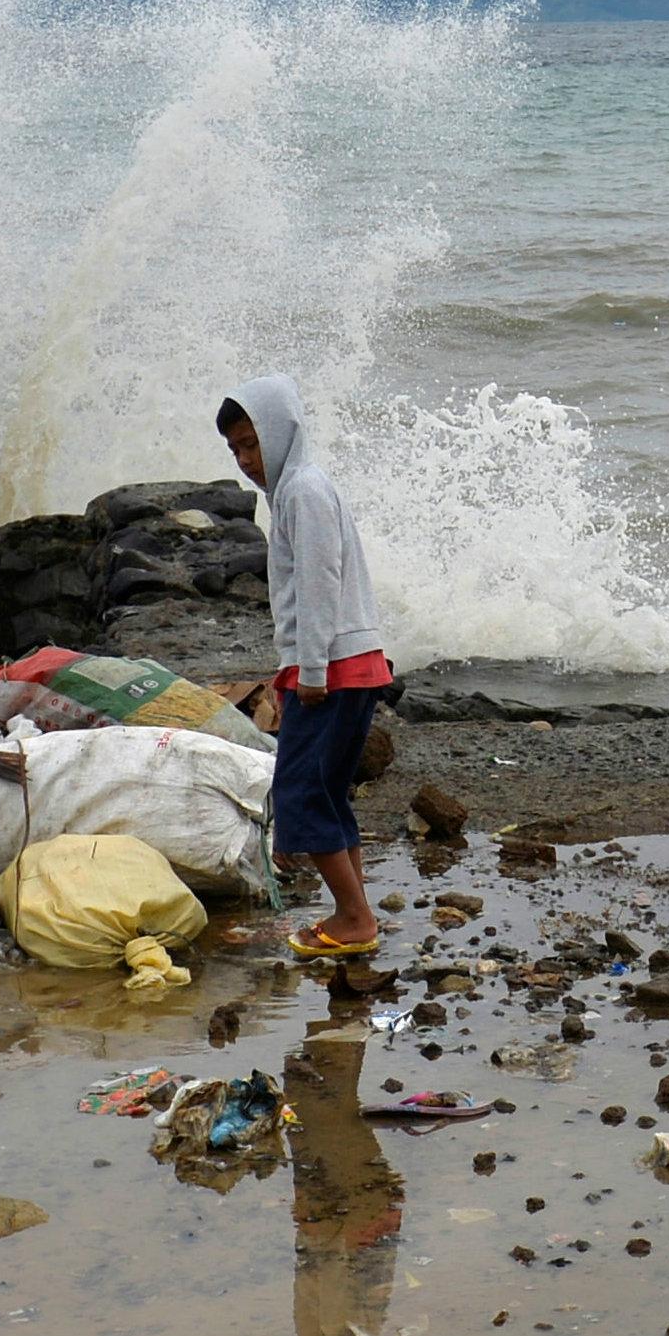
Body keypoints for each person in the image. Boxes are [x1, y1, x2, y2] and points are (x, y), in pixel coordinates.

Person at [218, 374, 397, 959]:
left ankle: (353, 918)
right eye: (236, 451)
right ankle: (356, 909)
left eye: (252, 444)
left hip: (335, 670)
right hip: (340, 663)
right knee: (327, 791)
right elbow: (306, 596)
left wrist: (312, 673)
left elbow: (320, 585)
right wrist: (291, 665)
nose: (247, 460)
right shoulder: (299, 490)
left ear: (280, 432)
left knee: (300, 794)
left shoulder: (304, 492)